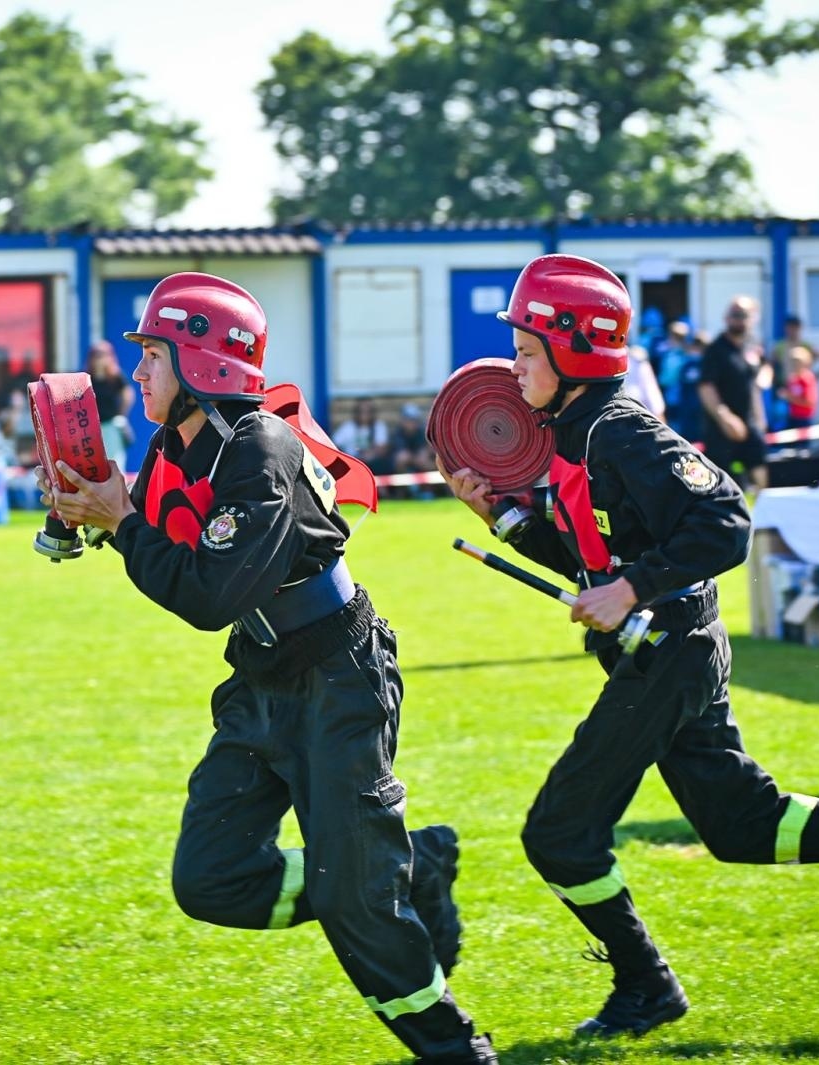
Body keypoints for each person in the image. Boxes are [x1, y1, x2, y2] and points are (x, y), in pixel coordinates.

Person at [438, 254, 819, 1041]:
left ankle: (647, 985)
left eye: (528, 349)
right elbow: (593, 562)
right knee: (744, 826)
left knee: (558, 832)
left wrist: (631, 590)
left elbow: (726, 522)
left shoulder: (624, 430)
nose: (514, 364)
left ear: (575, 351)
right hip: (664, 650)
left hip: (669, 652)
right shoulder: (574, 434)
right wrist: (502, 517)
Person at [39, 272, 497, 1064]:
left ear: (204, 365)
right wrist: (92, 511)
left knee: (358, 902)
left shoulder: (260, 449)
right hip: (260, 674)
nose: (138, 371)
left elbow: (207, 592)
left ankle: (456, 1049)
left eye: (153, 354)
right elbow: (165, 548)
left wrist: (120, 521)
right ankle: (405, 868)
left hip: (335, 672)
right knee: (210, 877)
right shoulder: (174, 442)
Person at [698, 296, 769, 491]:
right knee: (720, 481)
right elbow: (706, 387)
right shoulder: (716, 349)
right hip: (721, 426)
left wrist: (760, 415)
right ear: (726, 318)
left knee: (760, 472)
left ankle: (761, 517)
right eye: (735, 315)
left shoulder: (752, 345)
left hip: (750, 421)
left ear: (753, 318)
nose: (739, 320)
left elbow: (759, 376)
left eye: (744, 315)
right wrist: (725, 418)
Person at [86, 339, 135, 471]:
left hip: (111, 425)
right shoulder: (87, 378)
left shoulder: (115, 376)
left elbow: (128, 394)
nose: (100, 359)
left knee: (114, 462)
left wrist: (121, 414)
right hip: (93, 428)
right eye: (97, 355)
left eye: (103, 355)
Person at [333, 397, 394, 476]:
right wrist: (346, 456)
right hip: (352, 462)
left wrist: (370, 454)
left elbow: (382, 448)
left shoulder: (378, 426)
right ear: (356, 412)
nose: (365, 414)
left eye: (368, 411)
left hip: (373, 463)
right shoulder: (348, 427)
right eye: (361, 411)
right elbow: (334, 444)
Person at [391, 402, 437, 490]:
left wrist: (421, 457)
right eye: (408, 420)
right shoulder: (398, 433)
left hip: (420, 464)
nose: (411, 423)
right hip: (406, 466)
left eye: (413, 420)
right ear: (402, 420)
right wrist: (415, 458)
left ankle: (427, 490)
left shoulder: (421, 432)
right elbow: (402, 455)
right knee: (402, 459)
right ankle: (404, 491)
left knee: (426, 462)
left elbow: (425, 451)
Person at [783, 346, 819, 430]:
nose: (795, 364)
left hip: (804, 418)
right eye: (793, 361)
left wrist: (790, 397)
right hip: (792, 417)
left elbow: (810, 401)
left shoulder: (807, 378)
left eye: (797, 361)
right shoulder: (792, 379)